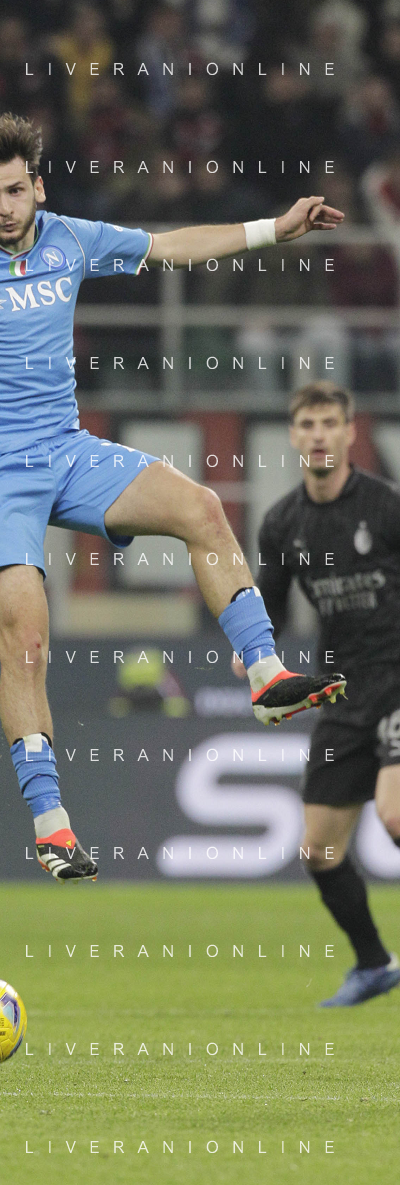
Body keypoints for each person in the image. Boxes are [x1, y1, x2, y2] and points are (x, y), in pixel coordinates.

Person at [0, 112, 346, 882]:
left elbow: (170, 247)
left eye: (16, 190)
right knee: (27, 640)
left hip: (70, 451)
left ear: (38, 187)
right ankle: (51, 825)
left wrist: (272, 230)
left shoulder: (70, 239)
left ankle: (266, 677)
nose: (5, 207)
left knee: (202, 508)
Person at [244, 380, 400, 1006]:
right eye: (307, 424)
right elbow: (270, 611)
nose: (318, 435)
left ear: (349, 432)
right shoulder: (283, 524)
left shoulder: (386, 507)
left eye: (329, 423)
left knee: (394, 813)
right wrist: (254, 660)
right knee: (319, 850)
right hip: (341, 694)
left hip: (398, 684)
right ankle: (374, 964)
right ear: (293, 435)